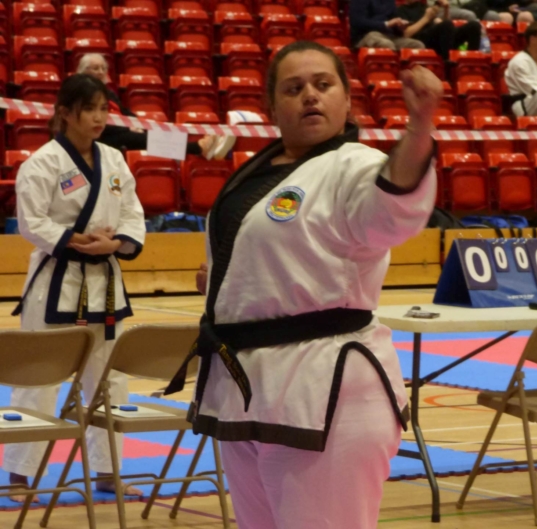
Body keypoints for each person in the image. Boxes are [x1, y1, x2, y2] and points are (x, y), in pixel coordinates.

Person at [164, 40, 440, 529]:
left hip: (326, 390)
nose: (309, 95)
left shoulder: (353, 166)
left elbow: (391, 205)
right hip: (248, 388)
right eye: (293, 89)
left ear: (347, 99)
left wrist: (419, 130)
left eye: (322, 84)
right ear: (272, 107)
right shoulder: (257, 171)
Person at [3, 74, 146, 501]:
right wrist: (76, 239)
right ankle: (20, 476)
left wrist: (116, 244)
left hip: (104, 281)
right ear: (65, 113)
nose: (99, 118)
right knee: (39, 378)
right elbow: (31, 222)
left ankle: (107, 470)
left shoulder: (114, 160)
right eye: (89, 109)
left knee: (110, 380)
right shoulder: (43, 162)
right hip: (57, 280)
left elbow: (133, 214)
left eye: (104, 109)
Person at [77, 54, 234, 160]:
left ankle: (204, 148)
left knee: (157, 131)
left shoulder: (108, 92)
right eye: (95, 68)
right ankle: (199, 147)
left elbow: (124, 112)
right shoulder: (82, 93)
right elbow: (93, 121)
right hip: (104, 136)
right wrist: (128, 128)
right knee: (147, 139)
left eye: (103, 68)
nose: (101, 72)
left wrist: (138, 124)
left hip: (121, 131)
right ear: (83, 72)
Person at [396, 0, 483, 59]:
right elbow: (406, 34)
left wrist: (446, 9)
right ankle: (448, 63)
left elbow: (447, 25)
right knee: (446, 25)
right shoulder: (401, 10)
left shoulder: (424, 7)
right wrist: (426, 18)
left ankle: (472, 61)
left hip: (441, 37)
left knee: (474, 26)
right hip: (422, 39)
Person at [349, 0, 424, 50]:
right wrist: (386, 24)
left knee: (417, 45)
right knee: (386, 44)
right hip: (366, 35)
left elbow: (393, 22)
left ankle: (412, 70)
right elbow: (358, 22)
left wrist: (399, 27)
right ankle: (392, 69)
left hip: (388, 35)